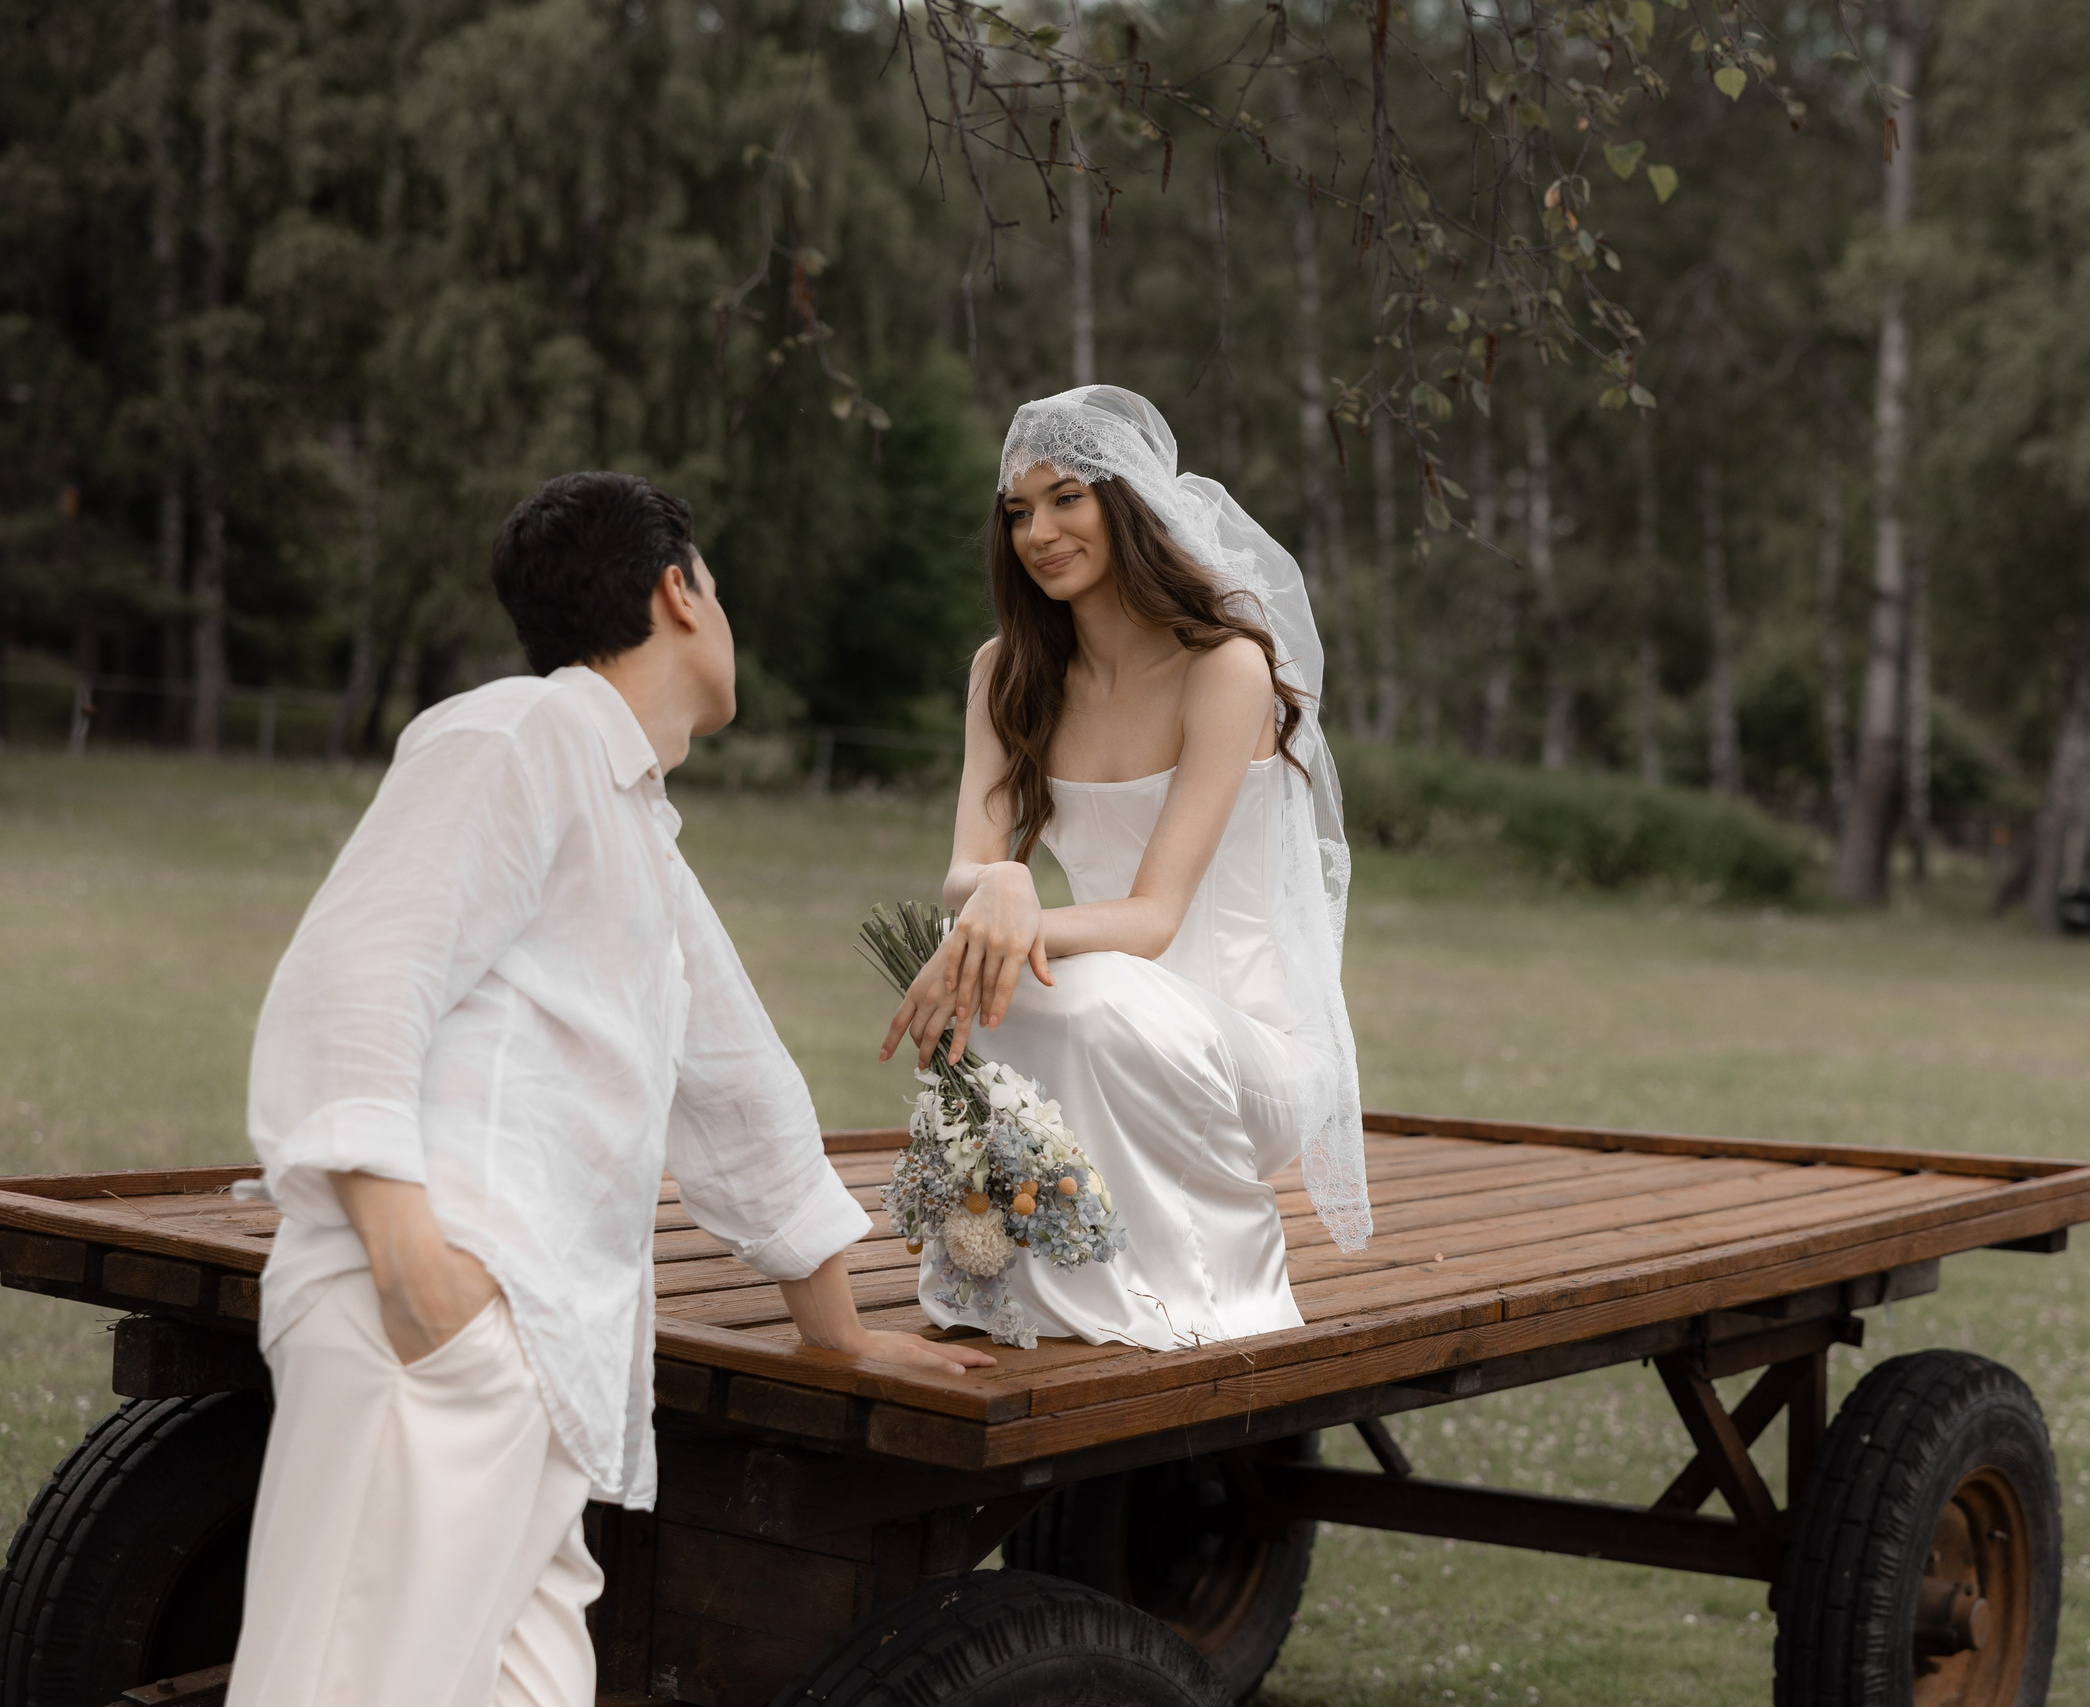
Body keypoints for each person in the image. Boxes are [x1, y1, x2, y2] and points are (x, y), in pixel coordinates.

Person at [228, 472, 994, 1707]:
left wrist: (840, 1334)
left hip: (548, 1362)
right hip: (437, 1310)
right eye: (718, 588)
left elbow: (737, 1083)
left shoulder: (633, 821)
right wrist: (411, 1257)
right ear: (678, 593)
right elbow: (356, 973)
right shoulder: (514, 734)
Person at [880, 385, 1371, 1351]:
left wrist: (1013, 908)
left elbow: (1153, 917)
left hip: (1251, 1053)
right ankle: (1009, 1270)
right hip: (1100, 1012)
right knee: (977, 951)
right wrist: (1001, 885)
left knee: (1073, 984)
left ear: (1128, 505)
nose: (1038, 533)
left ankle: (1171, 1296)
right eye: (1018, 511)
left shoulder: (1223, 666)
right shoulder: (1004, 672)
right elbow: (966, 870)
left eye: (1066, 498)